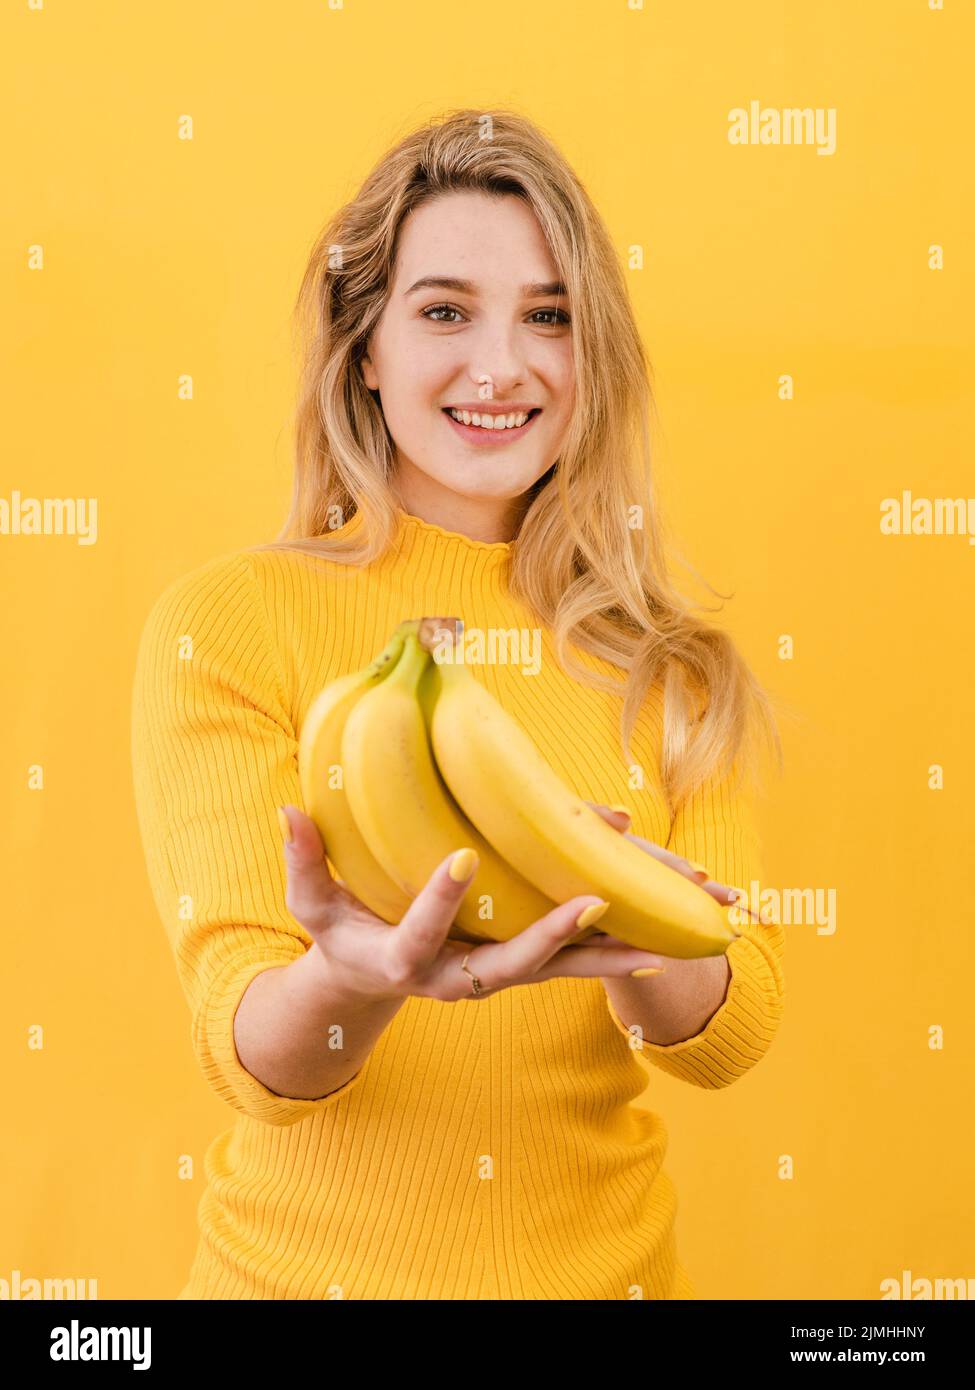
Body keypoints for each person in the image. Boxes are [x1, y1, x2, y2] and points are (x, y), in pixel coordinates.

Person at [131, 108, 785, 1300]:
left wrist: (620, 921)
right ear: (364, 347)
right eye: (444, 311)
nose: (503, 365)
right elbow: (256, 1057)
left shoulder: (673, 665)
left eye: (550, 315)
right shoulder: (225, 621)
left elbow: (731, 1038)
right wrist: (355, 977)